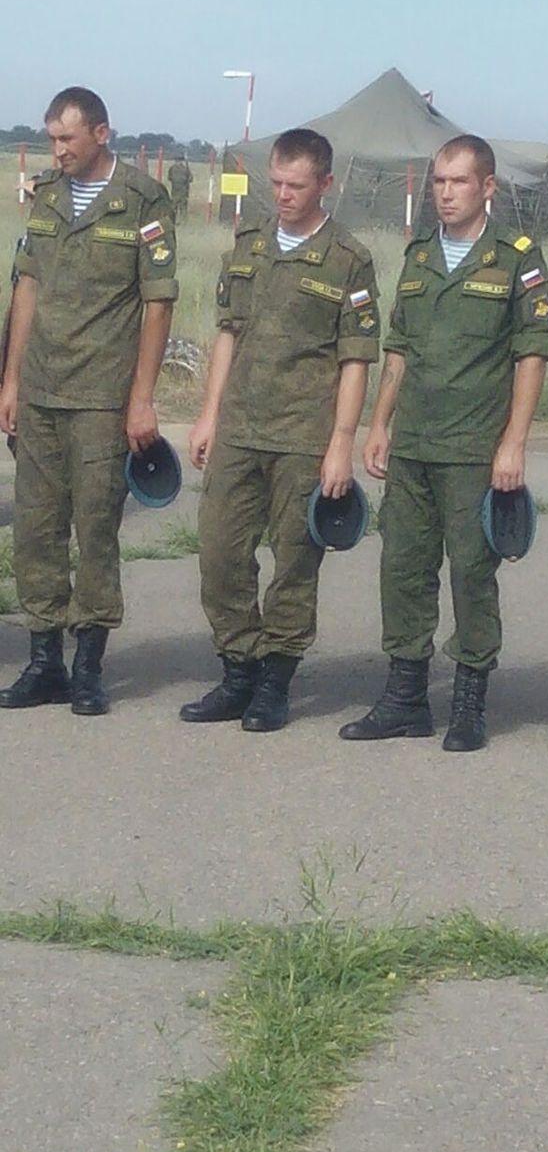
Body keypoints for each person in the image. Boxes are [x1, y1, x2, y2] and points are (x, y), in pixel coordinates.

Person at [340, 135, 548, 751]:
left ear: (487, 187)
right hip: (413, 445)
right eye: (438, 181)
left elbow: (532, 354)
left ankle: (468, 702)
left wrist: (514, 443)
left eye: (458, 181)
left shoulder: (515, 258)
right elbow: (400, 347)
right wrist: (379, 423)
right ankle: (405, 698)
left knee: (471, 574)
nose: (445, 192)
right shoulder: (420, 255)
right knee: (403, 570)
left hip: (473, 448)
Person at [180, 128, 380, 732]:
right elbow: (228, 335)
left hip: (303, 435)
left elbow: (356, 360)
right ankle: (237, 670)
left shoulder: (348, 259)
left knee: (295, 563)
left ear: (326, 184)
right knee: (219, 554)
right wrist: (209, 414)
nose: (284, 195)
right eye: (276, 183)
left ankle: (275, 682)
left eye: (296, 185)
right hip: (240, 428)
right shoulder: (249, 245)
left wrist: (341, 444)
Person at [0, 86, 178, 715]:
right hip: (42, 391)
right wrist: (11, 380)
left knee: (95, 529)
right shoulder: (48, 195)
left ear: (101, 133)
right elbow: (27, 288)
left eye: (67, 139)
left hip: (103, 395)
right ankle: (44, 661)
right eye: (52, 139)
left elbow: (158, 302)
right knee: (36, 531)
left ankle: (89, 666)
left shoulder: (142, 199)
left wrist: (142, 398)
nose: (58, 150)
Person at [167, 155, 193, 222]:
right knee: (181, 207)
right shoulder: (185, 169)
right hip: (181, 191)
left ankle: (175, 220)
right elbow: (190, 179)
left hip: (177, 191)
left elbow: (169, 178)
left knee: (176, 207)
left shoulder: (172, 168)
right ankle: (182, 221)